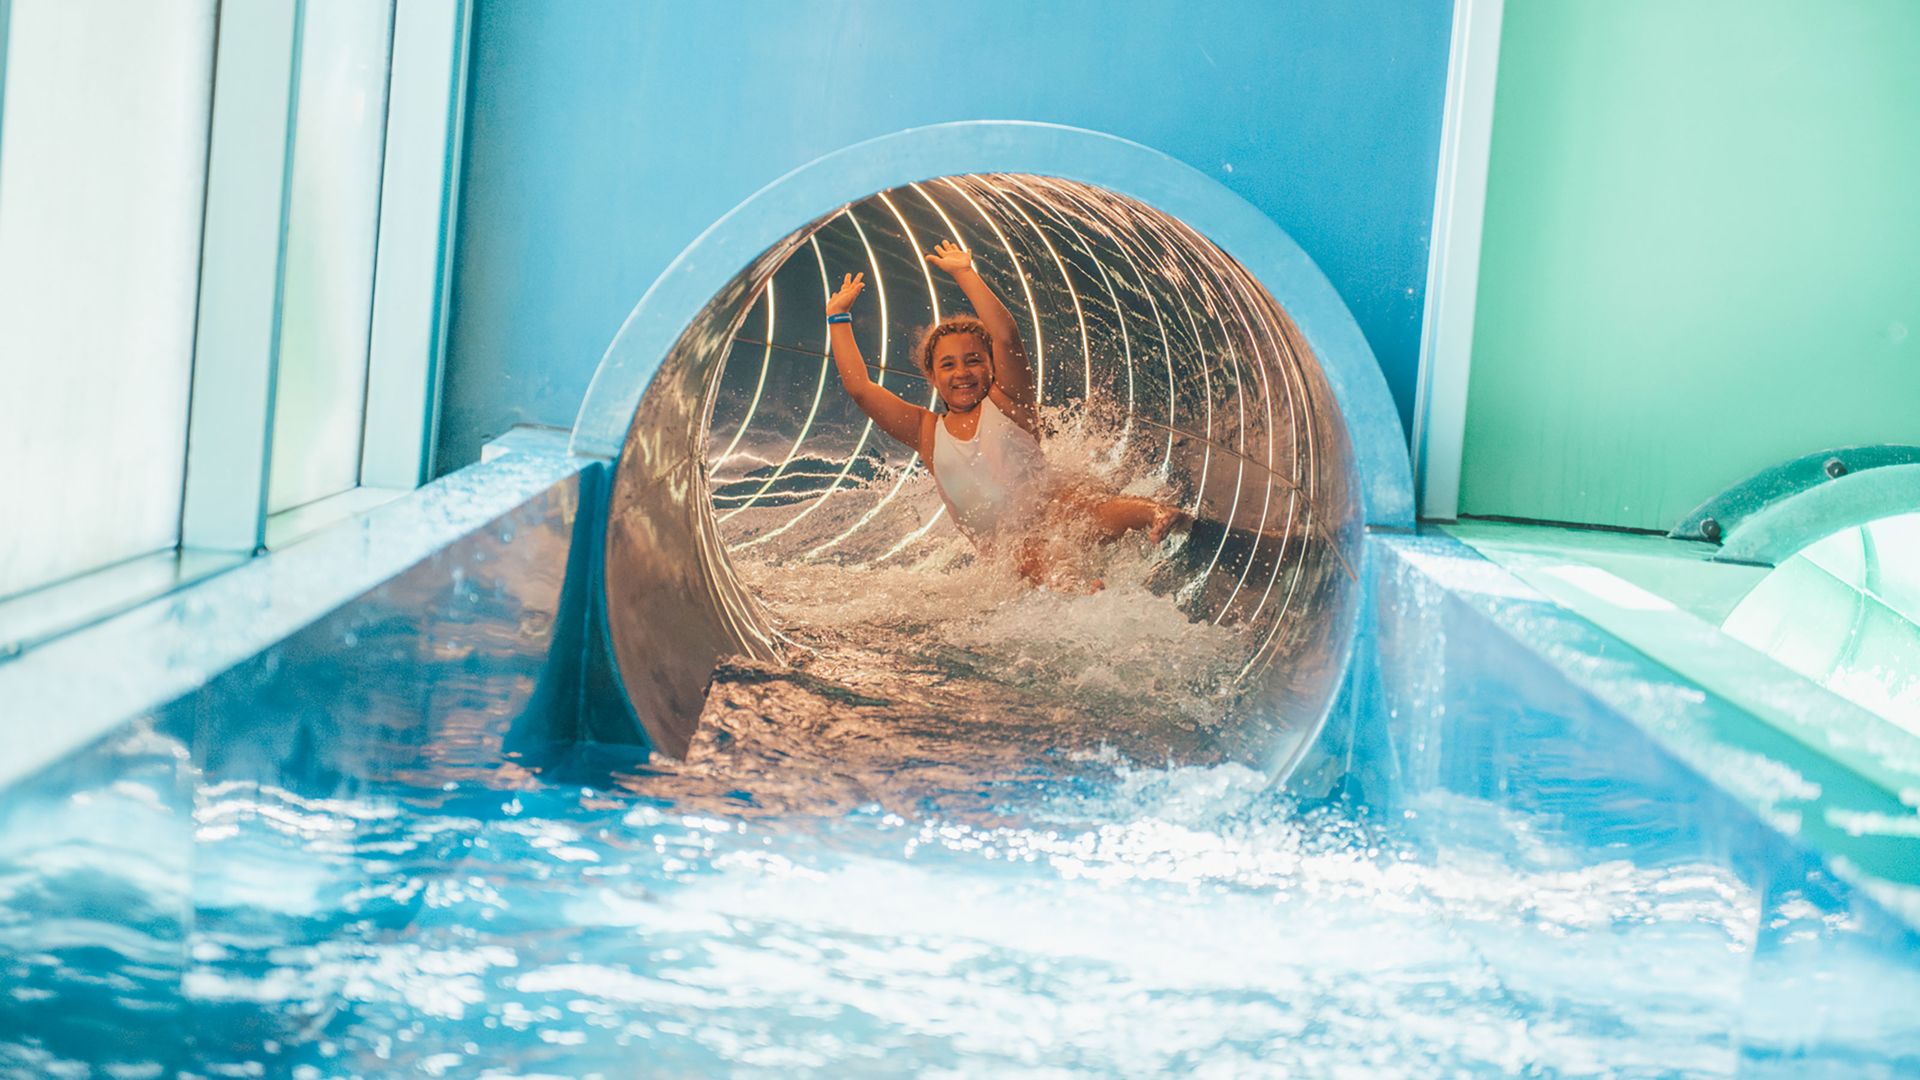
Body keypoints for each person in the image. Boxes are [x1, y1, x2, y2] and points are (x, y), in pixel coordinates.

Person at [825, 240, 1188, 590]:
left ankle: (1154, 514)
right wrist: (838, 317)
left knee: (1082, 509)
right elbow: (861, 390)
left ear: (991, 367)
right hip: (1008, 553)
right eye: (948, 365)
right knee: (1026, 552)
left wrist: (965, 273)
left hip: (1054, 509)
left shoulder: (1009, 401)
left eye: (973, 361)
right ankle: (1076, 587)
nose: (962, 372)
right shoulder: (926, 432)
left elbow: (1006, 335)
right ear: (932, 377)